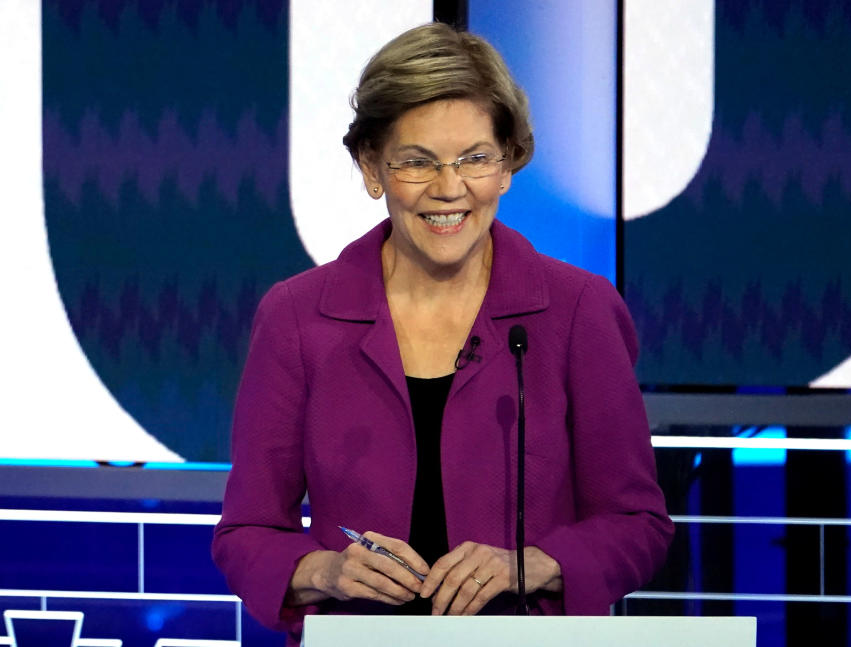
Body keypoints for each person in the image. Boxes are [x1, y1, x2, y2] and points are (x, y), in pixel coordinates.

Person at [212, 21, 673, 644]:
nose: (450, 188)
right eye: (417, 162)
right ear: (372, 168)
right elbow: (246, 534)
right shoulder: (298, 317)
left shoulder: (578, 310)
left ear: (508, 165)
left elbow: (637, 523)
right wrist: (328, 571)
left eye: (476, 159)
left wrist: (535, 566)